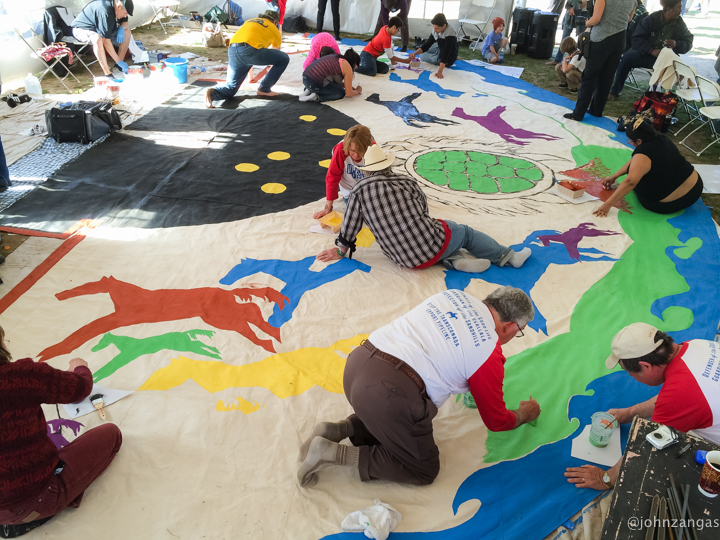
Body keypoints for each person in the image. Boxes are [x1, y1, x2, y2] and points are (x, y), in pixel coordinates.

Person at [297, 287, 541, 487]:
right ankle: (331, 453)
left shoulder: (454, 295)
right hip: (388, 394)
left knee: (388, 420)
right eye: (519, 333)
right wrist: (524, 413)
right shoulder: (489, 352)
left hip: (358, 363)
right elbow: (496, 421)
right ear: (510, 327)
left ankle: (340, 429)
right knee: (423, 469)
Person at [315, 144, 533, 273]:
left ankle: (455, 261)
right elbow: (423, 213)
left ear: (366, 169)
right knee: (462, 232)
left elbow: (350, 227)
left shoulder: (358, 191)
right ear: (388, 164)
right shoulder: (407, 182)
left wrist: (340, 251)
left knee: (437, 238)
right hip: (428, 246)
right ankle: (507, 257)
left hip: (401, 258)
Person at [565, 322, 720, 490]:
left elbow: (647, 447)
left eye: (630, 373)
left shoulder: (681, 393)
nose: (631, 376)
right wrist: (631, 412)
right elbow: (679, 396)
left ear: (645, 366)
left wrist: (606, 479)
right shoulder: (696, 345)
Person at [0, 326, 122, 537]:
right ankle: (49, 505)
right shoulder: (21, 375)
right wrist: (80, 368)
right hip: (32, 500)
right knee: (111, 434)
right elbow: (79, 389)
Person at [592, 118, 702, 216]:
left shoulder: (643, 153)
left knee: (638, 183)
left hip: (672, 202)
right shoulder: (662, 138)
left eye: (630, 141)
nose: (630, 143)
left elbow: (630, 181)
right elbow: (636, 161)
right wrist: (615, 176)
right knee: (641, 171)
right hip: (696, 186)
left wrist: (607, 205)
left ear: (639, 141)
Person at [563, 0, 637, 122]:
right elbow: (628, 19)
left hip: (601, 39)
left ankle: (578, 113)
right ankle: (596, 110)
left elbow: (596, 19)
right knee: (607, 77)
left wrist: (587, 23)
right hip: (620, 40)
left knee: (589, 77)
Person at [608, 0, 693, 100]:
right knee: (627, 57)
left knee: (667, 67)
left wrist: (676, 44)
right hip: (645, 54)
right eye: (678, 7)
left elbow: (688, 42)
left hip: (664, 60)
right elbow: (637, 39)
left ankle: (648, 97)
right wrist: (651, 50)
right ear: (669, 9)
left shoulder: (679, 24)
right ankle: (615, 91)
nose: (680, 10)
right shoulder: (651, 19)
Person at [205, 10, 289, 108]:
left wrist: (251, 77)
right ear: (275, 21)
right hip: (249, 51)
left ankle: (212, 94)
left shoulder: (250, 21)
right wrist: (270, 68)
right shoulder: (273, 28)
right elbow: (275, 54)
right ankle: (264, 89)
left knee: (231, 88)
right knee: (283, 58)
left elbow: (248, 49)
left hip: (233, 51)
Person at [313, 125, 374, 219]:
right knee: (361, 213)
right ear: (347, 146)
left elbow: (381, 174)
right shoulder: (340, 150)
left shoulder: (374, 148)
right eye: (352, 151)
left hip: (369, 188)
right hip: (350, 191)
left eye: (360, 151)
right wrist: (328, 208)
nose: (356, 155)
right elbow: (332, 177)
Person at [71, 0, 130, 77]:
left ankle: (118, 66)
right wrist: (118, 60)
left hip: (101, 31)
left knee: (127, 32)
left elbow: (125, 22)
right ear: (118, 7)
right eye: (125, 13)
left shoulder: (119, 6)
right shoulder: (105, 11)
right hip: (81, 30)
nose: (125, 16)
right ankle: (108, 74)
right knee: (97, 38)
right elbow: (105, 40)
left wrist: (121, 28)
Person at [408, 13, 459, 79]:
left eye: (437, 28)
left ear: (444, 25)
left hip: (449, 56)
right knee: (423, 49)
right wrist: (415, 53)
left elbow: (446, 52)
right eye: (434, 28)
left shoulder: (450, 31)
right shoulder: (436, 29)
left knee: (422, 56)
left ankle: (436, 56)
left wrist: (440, 72)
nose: (435, 30)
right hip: (440, 47)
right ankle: (435, 54)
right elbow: (428, 44)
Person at [546, 1, 588, 66]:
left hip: (583, 13)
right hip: (570, 12)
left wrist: (574, 9)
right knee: (564, 37)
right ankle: (558, 60)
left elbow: (585, 3)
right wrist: (570, 8)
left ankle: (579, 62)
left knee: (582, 39)